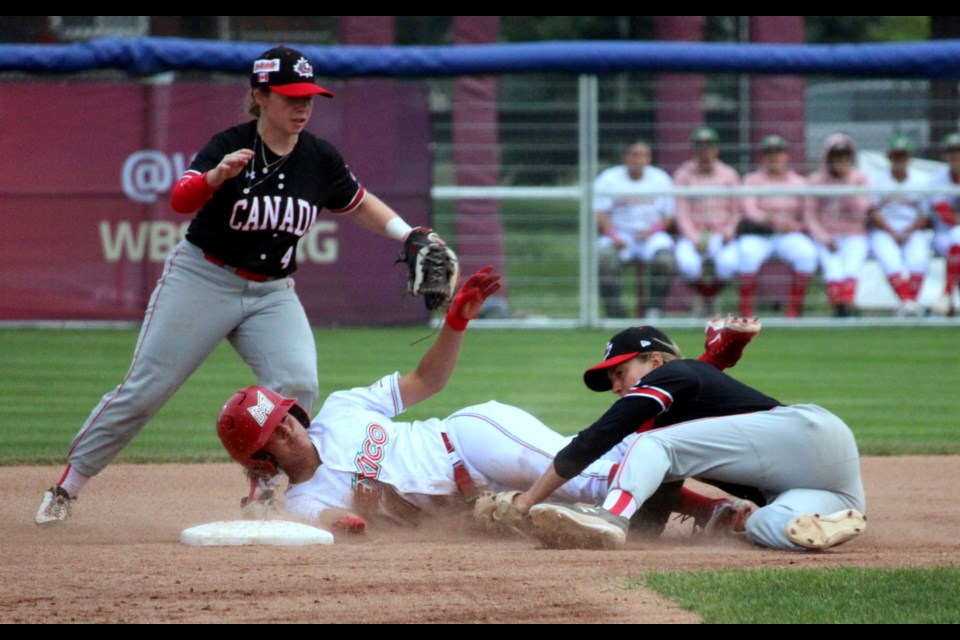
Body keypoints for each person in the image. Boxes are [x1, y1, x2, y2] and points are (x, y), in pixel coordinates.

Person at [35, 45, 437, 526]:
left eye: (309, 96)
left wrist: (408, 232)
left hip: (272, 292)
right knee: (146, 389)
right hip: (204, 277)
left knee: (296, 383)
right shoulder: (229, 144)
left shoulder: (319, 158)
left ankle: (263, 489)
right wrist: (214, 176)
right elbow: (182, 198)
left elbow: (358, 203)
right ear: (260, 96)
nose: (303, 106)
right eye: (290, 97)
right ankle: (67, 487)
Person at [215, 268, 763, 533]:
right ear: (262, 458)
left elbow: (426, 382)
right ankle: (714, 509)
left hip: (473, 443)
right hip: (478, 500)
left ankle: (705, 370)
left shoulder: (340, 409)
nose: (288, 428)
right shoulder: (304, 503)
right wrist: (277, 512)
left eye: (284, 416)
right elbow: (350, 528)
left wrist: (454, 323)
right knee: (603, 514)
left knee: (595, 479)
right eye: (274, 435)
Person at [506, 325, 867, 552]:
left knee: (648, 444)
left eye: (621, 372)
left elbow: (597, 437)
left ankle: (610, 516)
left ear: (656, 361)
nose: (616, 386)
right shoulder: (679, 419)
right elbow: (651, 519)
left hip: (800, 429)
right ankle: (816, 526)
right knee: (764, 524)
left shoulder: (675, 372)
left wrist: (526, 501)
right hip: (829, 486)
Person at [736, 135, 818, 318]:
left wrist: (795, 226)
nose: (774, 157)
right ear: (763, 157)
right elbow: (749, 209)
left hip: (788, 234)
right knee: (747, 253)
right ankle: (746, 311)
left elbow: (808, 215)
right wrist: (769, 219)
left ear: (786, 155)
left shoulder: (799, 182)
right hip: (759, 233)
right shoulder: (752, 180)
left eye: (778, 152)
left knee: (807, 254)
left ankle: (793, 311)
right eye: (769, 153)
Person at [593, 141, 677, 319]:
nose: (639, 160)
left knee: (665, 261)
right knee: (604, 258)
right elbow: (600, 213)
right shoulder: (609, 179)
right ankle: (615, 312)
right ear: (625, 157)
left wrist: (651, 231)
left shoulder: (660, 178)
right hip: (619, 234)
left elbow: (668, 217)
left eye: (644, 155)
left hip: (651, 235)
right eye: (635, 155)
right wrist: (613, 235)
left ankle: (654, 310)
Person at [672, 126, 741, 317]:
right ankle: (705, 297)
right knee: (688, 265)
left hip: (720, 233)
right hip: (693, 233)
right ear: (694, 150)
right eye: (701, 148)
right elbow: (681, 211)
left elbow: (736, 209)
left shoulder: (728, 174)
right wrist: (694, 238)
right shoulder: (683, 174)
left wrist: (729, 231)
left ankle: (709, 297)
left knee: (728, 264)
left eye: (709, 147)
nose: (705, 152)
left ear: (716, 149)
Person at [804, 133, 872, 318]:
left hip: (854, 234)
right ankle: (838, 308)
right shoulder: (816, 180)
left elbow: (862, 210)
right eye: (836, 156)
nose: (841, 160)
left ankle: (847, 305)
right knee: (833, 269)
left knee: (851, 267)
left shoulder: (859, 179)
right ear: (828, 157)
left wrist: (847, 184)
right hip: (827, 235)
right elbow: (810, 216)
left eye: (845, 156)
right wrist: (825, 239)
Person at [866, 134, 932, 317]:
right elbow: (871, 211)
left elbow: (925, 214)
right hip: (884, 228)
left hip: (912, 228)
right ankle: (909, 304)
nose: (900, 160)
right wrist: (891, 231)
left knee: (918, 259)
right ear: (889, 157)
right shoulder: (878, 179)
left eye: (903, 156)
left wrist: (910, 230)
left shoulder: (921, 180)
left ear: (909, 157)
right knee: (890, 259)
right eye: (896, 156)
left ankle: (907, 305)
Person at [926, 132, 960, 317]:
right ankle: (947, 296)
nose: (956, 157)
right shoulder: (937, 178)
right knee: (957, 235)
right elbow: (946, 216)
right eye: (951, 153)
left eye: (959, 152)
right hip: (943, 234)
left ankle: (946, 298)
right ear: (945, 156)